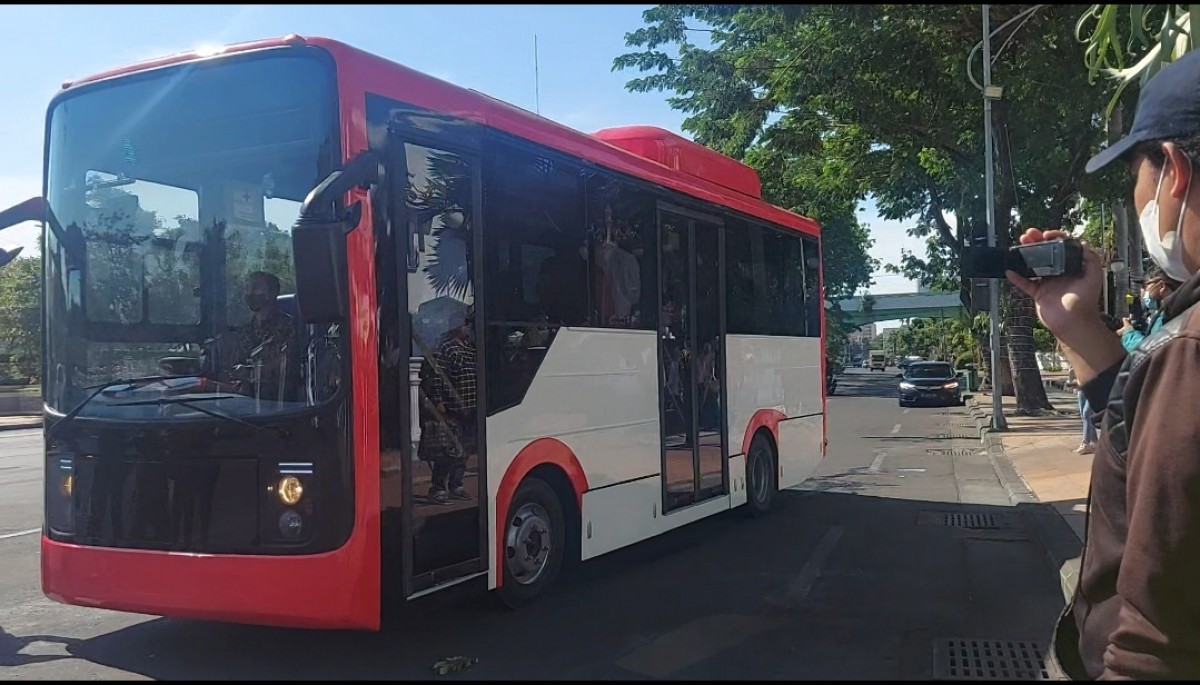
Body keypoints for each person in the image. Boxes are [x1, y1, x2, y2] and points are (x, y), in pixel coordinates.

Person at [1008, 48, 1200, 680]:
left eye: (1135, 178)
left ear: (1173, 172)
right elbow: (1149, 435)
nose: (1138, 197)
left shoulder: (1189, 348)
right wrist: (1076, 324)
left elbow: (1154, 641)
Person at [223, 271, 295, 400]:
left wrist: (250, 372)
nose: (250, 293)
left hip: (279, 402)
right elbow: (234, 365)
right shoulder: (245, 331)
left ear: (272, 293)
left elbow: (284, 367)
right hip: (244, 403)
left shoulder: (289, 326)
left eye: (255, 287)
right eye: (248, 288)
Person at [1117, 267, 1180, 351]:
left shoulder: (1168, 316)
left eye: (1145, 285)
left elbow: (1151, 350)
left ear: (1161, 286)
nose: (1143, 290)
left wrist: (1128, 332)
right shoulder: (1174, 310)